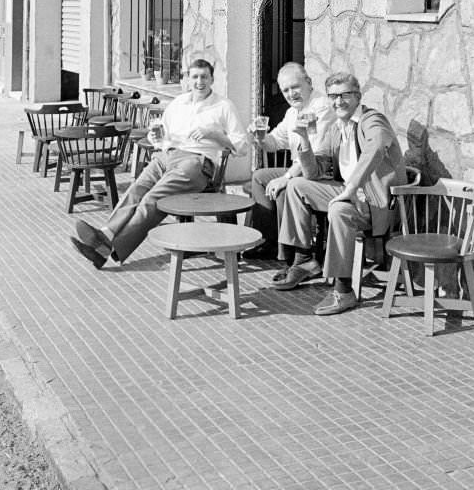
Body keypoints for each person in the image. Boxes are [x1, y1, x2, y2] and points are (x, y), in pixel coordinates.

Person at [70, 58, 248, 269]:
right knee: (136, 190)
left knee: (151, 199)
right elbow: (162, 138)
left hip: (197, 162)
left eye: (204, 77)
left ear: (212, 79)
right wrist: (156, 135)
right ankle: (105, 234)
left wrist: (214, 135)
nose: (200, 82)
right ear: (187, 79)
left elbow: (242, 146)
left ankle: (109, 249)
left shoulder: (223, 106)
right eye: (195, 77)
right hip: (167, 157)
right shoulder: (178, 103)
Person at [274, 71, 407, 315]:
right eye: (333, 96)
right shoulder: (337, 128)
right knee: (296, 185)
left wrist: (352, 188)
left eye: (345, 95)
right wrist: (303, 138)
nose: (339, 101)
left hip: (377, 203)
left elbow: (375, 148)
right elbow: (314, 172)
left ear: (358, 96)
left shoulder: (372, 120)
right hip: (352, 196)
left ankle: (343, 291)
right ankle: (303, 260)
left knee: (339, 208)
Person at [248, 62, 334, 261]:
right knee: (260, 177)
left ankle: (288, 253)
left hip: (321, 171)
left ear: (309, 82)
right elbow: (275, 141)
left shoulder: (320, 107)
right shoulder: (292, 112)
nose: (291, 93)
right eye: (285, 90)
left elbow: (313, 152)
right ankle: (267, 241)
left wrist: (285, 178)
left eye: (295, 87)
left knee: (283, 189)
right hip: (300, 169)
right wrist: (259, 138)